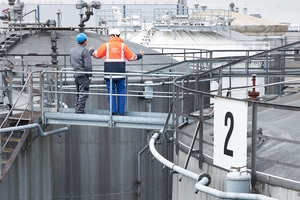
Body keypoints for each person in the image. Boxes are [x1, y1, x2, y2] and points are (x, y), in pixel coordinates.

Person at [89, 28, 144, 115]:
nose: (109, 37)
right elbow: (131, 57)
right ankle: (121, 112)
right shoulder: (123, 46)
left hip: (109, 74)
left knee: (111, 92)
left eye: (110, 36)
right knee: (121, 92)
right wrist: (140, 55)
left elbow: (97, 55)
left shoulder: (106, 45)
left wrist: (91, 51)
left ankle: (113, 111)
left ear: (113, 35)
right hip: (120, 74)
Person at [70, 32, 93, 114]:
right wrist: (90, 75)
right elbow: (88, 65)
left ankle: (77, 107)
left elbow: (71, 62)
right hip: (83, 75)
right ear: (85, 41)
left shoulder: (72, 50)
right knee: (84, 93)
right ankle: (79, 110)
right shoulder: (85, 51)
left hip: (76, 74)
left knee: (78, 92)